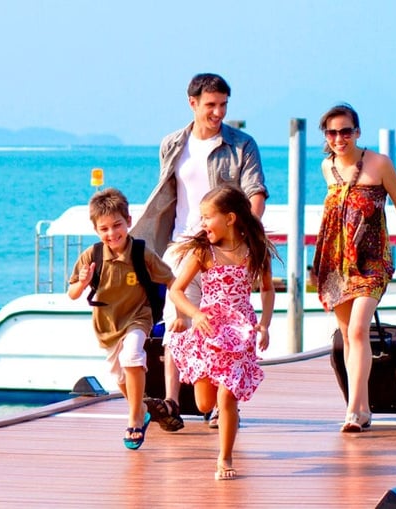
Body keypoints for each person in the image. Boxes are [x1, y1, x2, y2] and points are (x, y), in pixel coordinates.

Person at [130, 73, 268, 431]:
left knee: (225, 325)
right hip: (182, 244)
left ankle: (222, 405)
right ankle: (173, 402)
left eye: (223, 105)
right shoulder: (173, 143)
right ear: (192, 103)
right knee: (178, 319)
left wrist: (243, 237)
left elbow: (255, 192)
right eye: (211, 105)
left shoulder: (242, 145)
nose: (218, 112)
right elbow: (167, 192)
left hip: (224, 248)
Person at [311, 103, 396, 433]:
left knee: (360, 329)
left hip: (374, 260)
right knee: (348, 335)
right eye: (332, 132)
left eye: (345, 131)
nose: (339, 138)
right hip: (337, 264)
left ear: (357, 132)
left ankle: (355, 410)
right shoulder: (327, 167)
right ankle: (360, 408)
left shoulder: (379, 164)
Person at [165, 185, 278, 480]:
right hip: (209, 329)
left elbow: (267, 290)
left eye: (207, 217)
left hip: (240, 332)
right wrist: (195, 314)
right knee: (205, 403)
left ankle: (224, 457)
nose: (203, 224)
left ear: (230, 218)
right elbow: (176, 291)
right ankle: (213, 404)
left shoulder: (255, 250)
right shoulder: (205, 252)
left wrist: (264, 324)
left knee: (227, 396)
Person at [67, 187, 179, 450]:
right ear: (96, 230)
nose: (112, 233)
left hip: (138, 317)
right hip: (107, 326)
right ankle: (140, 407)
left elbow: (172, 279)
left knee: (132, 356)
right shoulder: (91, 256)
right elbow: (72, 293)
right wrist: (82, 282)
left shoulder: (141, 253)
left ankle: (134, 418)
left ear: (128, 222)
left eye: (117, 225)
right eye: (104, 229)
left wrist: (181, 311)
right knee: (119, 376)